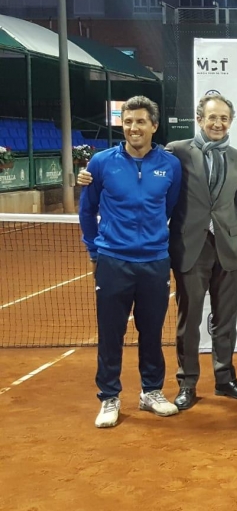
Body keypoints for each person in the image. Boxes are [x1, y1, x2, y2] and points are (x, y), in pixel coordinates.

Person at [79, 95, 182, 428]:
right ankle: (109, 397)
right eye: (128, 122)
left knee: (151, 333)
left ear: (154, 126)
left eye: (140, 122)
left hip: (154, 262)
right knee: (111, 333)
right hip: (113, 261)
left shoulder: (171, 165)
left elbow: (167, 207)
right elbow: (86, 210)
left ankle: (151, 392)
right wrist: (95, 250)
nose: (133, 128)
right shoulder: (100, 162)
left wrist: (150, 240)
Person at [166, 95, 237, 408]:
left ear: (230, 121)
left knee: (226, 319)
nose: (218, 124)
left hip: (229, 248)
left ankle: (225, 378)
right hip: (191, 247)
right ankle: (187, 383)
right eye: (212, 118)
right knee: (189, 321)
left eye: (224, 119)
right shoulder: (176, 151)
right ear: (200, 118)